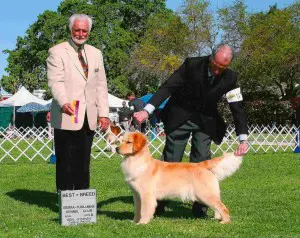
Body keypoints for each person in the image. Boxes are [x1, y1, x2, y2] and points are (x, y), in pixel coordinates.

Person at [134, 44, 249, 218]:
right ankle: (157, 206)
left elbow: (237, 107)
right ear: (211, 58)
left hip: (206, 121)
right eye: (216, 66)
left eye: (223, 68)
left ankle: (200, 209)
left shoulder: (231, 78)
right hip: (179, 116)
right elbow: (168, 87)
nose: (218, 72)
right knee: (170, 160)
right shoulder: (191, 65)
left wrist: (243, 138)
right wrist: (147, 110)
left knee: (202, 162)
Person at [47, 14, 110, 191]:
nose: (81, 34)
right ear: (70, 29)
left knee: (84, 161)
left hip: (88, 117)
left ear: (89, 32)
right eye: (77, 30)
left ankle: (82, 201)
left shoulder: (96, 53)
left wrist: (104, 114)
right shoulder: (57, 51)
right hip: (67, 114)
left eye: (84, 30)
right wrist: (63, 101)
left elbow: (101, 85)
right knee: (65, 160)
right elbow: (55, 82)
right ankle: (65, 198)